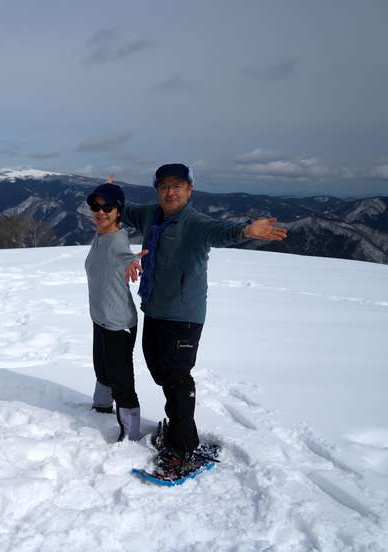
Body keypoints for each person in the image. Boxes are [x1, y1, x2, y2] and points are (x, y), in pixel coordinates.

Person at [122, 163, 287, 471]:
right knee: (160, 372)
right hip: (155, 310)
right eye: (164, 186)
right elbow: (124, 210)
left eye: (177, 186)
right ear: (157, 190)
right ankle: (178, 431)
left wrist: (246, 230)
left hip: (184, 316)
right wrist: (107, 195)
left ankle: (183, 448)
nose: (170, 192)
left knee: (177, 378)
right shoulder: (151, 215)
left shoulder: (195, 222)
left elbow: (219, 230)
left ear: (189, 189)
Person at [84, 180, 141, 442]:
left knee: (121, 379)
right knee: (102, 369)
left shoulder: (118, 241)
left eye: (107, 207)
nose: (100, 212)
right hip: (101, 319)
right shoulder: (101, 235)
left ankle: (130, 434)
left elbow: (126, 256)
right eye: (96, 206)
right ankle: (102, 408)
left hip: (119, 323)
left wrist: (135, 262)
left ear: (119, 211)